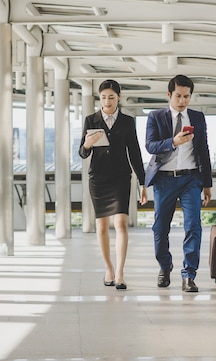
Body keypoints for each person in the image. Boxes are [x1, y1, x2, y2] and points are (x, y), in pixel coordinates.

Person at [145, 74, 213, 292]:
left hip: (191, 179)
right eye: (178, 96)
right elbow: (150, 146)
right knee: (159, 228)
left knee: (193, 225)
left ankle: (189, 275)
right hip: (164, 179)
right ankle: (165, 266)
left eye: (186, 96)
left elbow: (203, 150)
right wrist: (173, 142)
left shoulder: (198, 117)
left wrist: (207, 184)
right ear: (169, 94)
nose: (182, 101)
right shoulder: (156, 116)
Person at [79, 79, 148, 291]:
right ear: (99, 98)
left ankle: (120, 272)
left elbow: (134, 152)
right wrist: (88, 144)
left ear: (118, 97)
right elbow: (82, 153)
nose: (107, 101)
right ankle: (108, 268)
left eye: (111, 96)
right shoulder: (91, 119)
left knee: (121, 223)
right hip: (98, 178)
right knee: (101, 226)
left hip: (120, 177)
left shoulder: (127, 121)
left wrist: (143, 182)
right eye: (103, 97)